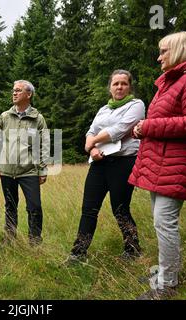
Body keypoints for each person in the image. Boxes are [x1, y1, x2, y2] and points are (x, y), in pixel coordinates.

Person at [129, 31, 186, 300]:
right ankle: (165, 272)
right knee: (161, 222)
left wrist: (149, 126)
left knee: (165, 223)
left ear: (179, 50)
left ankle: (167, 284)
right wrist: (143, 130)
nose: (158, 57)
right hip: (161, 163)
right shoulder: (170, 82)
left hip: (177, 163)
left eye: (163, 51)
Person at [65, 70, 145, 264]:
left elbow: (119, 130)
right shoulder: (104, 109)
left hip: (123, 162)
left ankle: (133, 250)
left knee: (120, 208)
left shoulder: (136, 105)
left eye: (123, 84)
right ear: (110, 87)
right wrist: (91, 149)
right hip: (99, 164)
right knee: (88, 209)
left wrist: (91, 142)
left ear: (129, 86)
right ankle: (78, 253)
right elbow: (91, 130)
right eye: (115, 84)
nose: (119, 87)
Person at [0, 80, 49, 247]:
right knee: (10, 206)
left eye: (18, 91)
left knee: (35, 207)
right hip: (7, 170)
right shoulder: (5, 117)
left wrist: (42, 169)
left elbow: (44, 145)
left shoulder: (38, 119)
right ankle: (8, 241)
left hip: (29, 170)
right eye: (13, 91)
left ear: (28, 94)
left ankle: (35, 242)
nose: (14, 93)